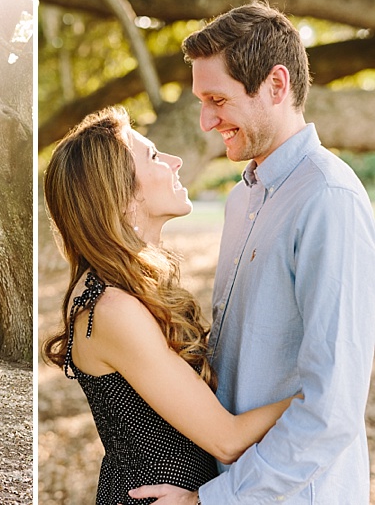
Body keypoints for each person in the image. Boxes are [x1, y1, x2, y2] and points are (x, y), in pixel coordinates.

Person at [129, 2, 375, 504]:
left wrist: (214, 500)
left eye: (218, 98)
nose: (204, 120)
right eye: (201, 101)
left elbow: (332, 409)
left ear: (276, 86)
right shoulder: (243, 197)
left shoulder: (329, 200)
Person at [42, 106, 301, 504]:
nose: (175, 161)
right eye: (153, 156)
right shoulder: (112, 310)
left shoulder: (122, 290)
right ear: (123, 198)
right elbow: (227, 439)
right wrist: (313, 393)